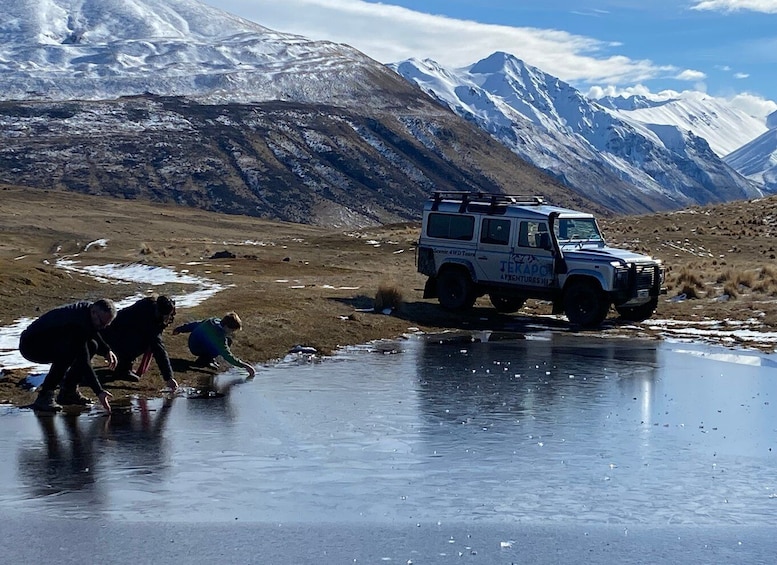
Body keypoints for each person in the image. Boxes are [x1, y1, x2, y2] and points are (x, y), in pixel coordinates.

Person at [19, 299, 118, 413]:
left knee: (92, 345)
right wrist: (99, 392)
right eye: (101, 323)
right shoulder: (76, 323)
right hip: (31, 345)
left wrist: (106, 350)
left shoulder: (89, 311)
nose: (102, 328)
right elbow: (84, 361)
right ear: (94, 312)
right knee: (68, 352)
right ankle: (45, 395)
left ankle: (68, 392)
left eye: (106, 325)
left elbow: (93, 330)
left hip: (52, 339)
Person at [99, 295, 179, 391]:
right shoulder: (149, 322)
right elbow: (159, 350)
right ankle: (123, 370)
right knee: (143, 343)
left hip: (113, 332)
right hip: (110, 337)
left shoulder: (148, 304)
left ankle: (124, 366)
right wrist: (169, 378)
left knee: (139, 340)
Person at [172, 312, 256, 378]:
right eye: (232, 330)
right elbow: (227, 355)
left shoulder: (213, 321)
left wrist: (180, 329)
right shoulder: (219, 336)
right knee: (225, 343)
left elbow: (195, 324)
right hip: (196, 348)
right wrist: (245, 366)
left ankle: (208, 358)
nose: (232, 332)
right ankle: (205, 360)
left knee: (228, 340)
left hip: (194, 342)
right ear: (227, 326)